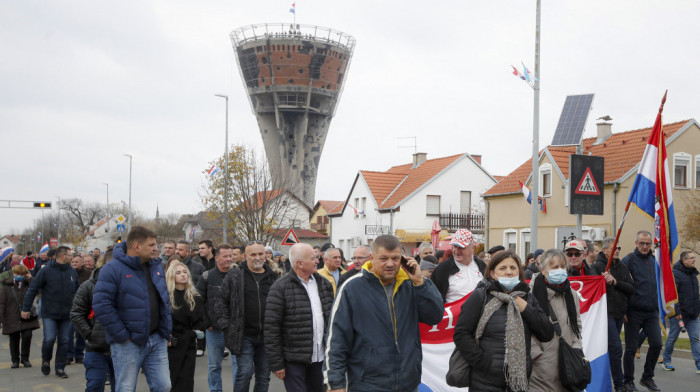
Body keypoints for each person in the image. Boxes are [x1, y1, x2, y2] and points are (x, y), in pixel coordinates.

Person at [324, 234, 443, 391]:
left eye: (395, 258)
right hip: (367, 385)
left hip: (408, 384)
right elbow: (337, 340)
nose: (390, 264)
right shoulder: (351, 288)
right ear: (372, 258)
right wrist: (335, 384)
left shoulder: (412, 284)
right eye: (383, 258)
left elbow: (435, 316)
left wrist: (420, 283)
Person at [453, 250, 554, 391]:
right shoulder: (480, 296)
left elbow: (547, 333)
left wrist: (527, 310)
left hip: (518, 383)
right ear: (493, 274)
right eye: (503, 268)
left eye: (513, 268)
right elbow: (461, 334)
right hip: (484, 382)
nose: (509, 272)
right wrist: (483, 362)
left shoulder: (527, 298)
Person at [92, 226, 172, 392]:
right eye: (151, 245)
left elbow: (163, 300)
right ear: (137, 246)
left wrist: (165, 331)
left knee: (164, 386)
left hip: (156, 339)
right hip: (128, 343)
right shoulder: (112, 269)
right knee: (126, 388)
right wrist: (122, 336)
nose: (156, 248)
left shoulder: (156, 267)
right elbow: (102, 306)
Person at [265, 243, 334, 392]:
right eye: (313, 258)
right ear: (299, 263)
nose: (317, 261)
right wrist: (277, 363)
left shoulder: (324, 284)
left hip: (320, 358)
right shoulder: (280, 288)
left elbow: (332, 321)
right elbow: (271, 328)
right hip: (293, 360)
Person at [215, 240, 279, 392]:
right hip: (243, 335)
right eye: (253, 254)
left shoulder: (274, 277)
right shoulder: (235, 275)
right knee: (244, 373)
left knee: (264, 376)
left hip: (267, 336)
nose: (257, 257)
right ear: (245, 256)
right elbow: (220, 300)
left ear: (265, 255)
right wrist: (226, 325)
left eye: (260, 254)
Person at [529, 249, 583, 391]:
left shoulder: (571, 293)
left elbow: (577, 324)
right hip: (541, 370)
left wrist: (577, 347)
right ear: (542, 270)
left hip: (568, 365)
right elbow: (523, 328)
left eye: (562, 266)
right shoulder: (530, 294)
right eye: (554, 267)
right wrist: (538, 355)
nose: (560, 270)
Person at [22, 245, 79, 379]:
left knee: (64, 340)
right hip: (50, 312)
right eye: (69, 255)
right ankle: (46, 360)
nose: (71, 257)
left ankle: (60, 368)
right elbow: (33, 289)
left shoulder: (72, 271)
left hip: (67, 313)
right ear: (61, 256)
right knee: (49, 339)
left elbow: (78, 291)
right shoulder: (46, 270)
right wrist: (26, 308)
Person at [592, 237, 635, 391]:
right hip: (605, 315)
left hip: (619, 314)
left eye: (619, 248)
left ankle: (609, 379)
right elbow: (592, 290)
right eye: (614, 248)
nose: (617, 251)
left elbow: (631, 288)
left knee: (611, 350)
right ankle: (619, 384)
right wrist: (603, 281)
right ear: (604, 250)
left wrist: (616, 281)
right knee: (616, 348)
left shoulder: (623, 267)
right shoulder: (597, 267)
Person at [621, 230, 662, 392]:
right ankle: (628, 381)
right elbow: (621, 287)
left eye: (648, 244)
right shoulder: (628, 260)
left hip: (652, 312)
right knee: (631, 348)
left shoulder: (654, 260)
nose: (645, 246)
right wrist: (623, 309)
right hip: (633, 312)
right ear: (636, 244)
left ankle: (647, 377)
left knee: (657, 344)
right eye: (642, 243)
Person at [197, 244, 238, 392]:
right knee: (214, 366)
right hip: (214, 330)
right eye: (225, 256)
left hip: (235, 330)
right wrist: (207, 323)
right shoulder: (207, 276)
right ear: (217, 258)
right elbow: (199, 301)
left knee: (238, 366)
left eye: (231, 255)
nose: (229, 259)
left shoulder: (238, 275)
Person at [70, 264, 115, 391]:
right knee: (95, 385)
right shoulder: (88, 286)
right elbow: (76, 313)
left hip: (122, 347)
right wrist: (91, 334)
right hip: (96, 348)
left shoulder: (127, 285)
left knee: (121, 387)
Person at [166, 261, 206, 392]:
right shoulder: (166, 297)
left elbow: (201, 319)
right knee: (173, 378)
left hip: (189, 341)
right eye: (178, 273)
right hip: (171, 343)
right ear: (172, 276)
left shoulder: (195, 297)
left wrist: (194, 333)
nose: (183, 275)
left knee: (187, 378)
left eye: (184, 272)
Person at [662, 251, 700, 373]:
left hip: (693, 315)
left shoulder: (693, 274)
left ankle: (699, 364)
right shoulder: (675, 274)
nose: (694, 260)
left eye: (694, 257)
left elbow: (695, 295)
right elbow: (673, 294)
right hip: (679, 316)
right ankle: (666, 361)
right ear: (684, 260)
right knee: (672, 338)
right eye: (691, 258)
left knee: (695, 339)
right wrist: (677, 311)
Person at [0, 264, 40, 368]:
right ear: (13, 273)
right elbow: (2, 303)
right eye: (17, 274)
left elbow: (40, 290)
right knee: (14, 338)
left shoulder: (28, 284)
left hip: (27, 315)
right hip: (11, 315)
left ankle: (25, 359)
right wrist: (1, 317)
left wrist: (31, 278)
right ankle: (15, 360)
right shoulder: (6, 286)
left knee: (27, 336)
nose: (19, 276)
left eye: (22, 274)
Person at [432, 228, 486, 303]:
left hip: (480, 313)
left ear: (472, 247)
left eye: (461, 247)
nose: (456, 251)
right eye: (454, 246)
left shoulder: (481, 265)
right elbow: (434, 297)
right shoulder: (443, 268)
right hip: (455, 313)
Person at [67, 255, 91, 365]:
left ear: (82, 263)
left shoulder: (88, 274)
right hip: (70, 306)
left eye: (77, 262)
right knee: (69, 332)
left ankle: (79, 354)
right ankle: (69, 355)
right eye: (73, 261)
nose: (74, 263)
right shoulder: (68, 273)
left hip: (84, 307)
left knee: (81, 332)